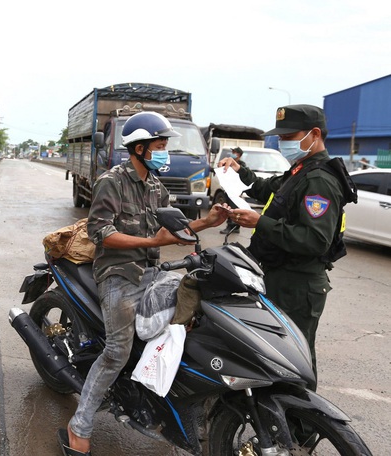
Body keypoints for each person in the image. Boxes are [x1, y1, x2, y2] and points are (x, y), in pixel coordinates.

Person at [58, 112, 228, 455]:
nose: (164, 152)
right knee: (117, 351)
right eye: (160, 146)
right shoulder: (112, 181)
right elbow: (100, 233)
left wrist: (208, 222)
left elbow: (173, 226)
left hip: (151, 272)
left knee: (194, 317)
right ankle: (79, 427)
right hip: (119, 275)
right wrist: (151, 243)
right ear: (139, 147)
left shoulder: (154, 184)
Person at [218, 104, 357, 388]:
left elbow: (315, 240)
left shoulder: (319, 180)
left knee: (295, 360)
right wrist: (238, 169)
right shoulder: (301, 171)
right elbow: (265, 188)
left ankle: (303, 428)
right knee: (277, 356)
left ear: (314, 134)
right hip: (281, 277)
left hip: (299, 284)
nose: (283, 142)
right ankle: (281, 424)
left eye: (290, 136)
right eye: (281, 137)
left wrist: (260, 223)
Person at [219, 147, 246, 234]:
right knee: (228, 207)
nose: (232, 154)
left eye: (234, 152)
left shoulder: (242, 165)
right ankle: (232, 226)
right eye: (232, 152)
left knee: (233, 208)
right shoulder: (228, 163)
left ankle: (233, 226)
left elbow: (242, 177)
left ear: (239, 155)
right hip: (228, 189)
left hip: (236, 190)